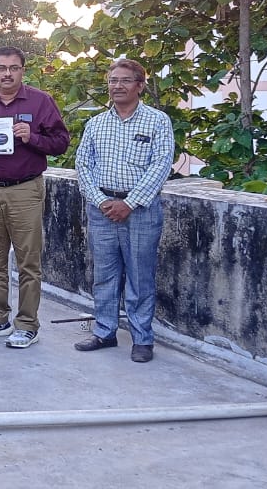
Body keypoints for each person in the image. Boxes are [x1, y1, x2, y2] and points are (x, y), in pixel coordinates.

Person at [0, 46, 70, 349]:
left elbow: (61, 143)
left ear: (23, 70)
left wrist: (30, 137)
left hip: (25, 188)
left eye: (14, 68)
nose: (7, 73)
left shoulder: (40, 102)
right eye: (1, 68)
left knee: (27, 261)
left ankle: (27, 325)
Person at [73, 59, 174, 363]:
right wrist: (100, 200)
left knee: (140, 277)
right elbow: (83, 165)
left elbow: (161, 165)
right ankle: (105, 332)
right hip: (102, 210)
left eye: (125, 80)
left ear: (140, 85)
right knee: (104, 275)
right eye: (113, 80)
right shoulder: (96, 124)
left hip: (140, 211)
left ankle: (142, 339)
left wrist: (129, 203)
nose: (117, 86)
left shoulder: (157, 121)